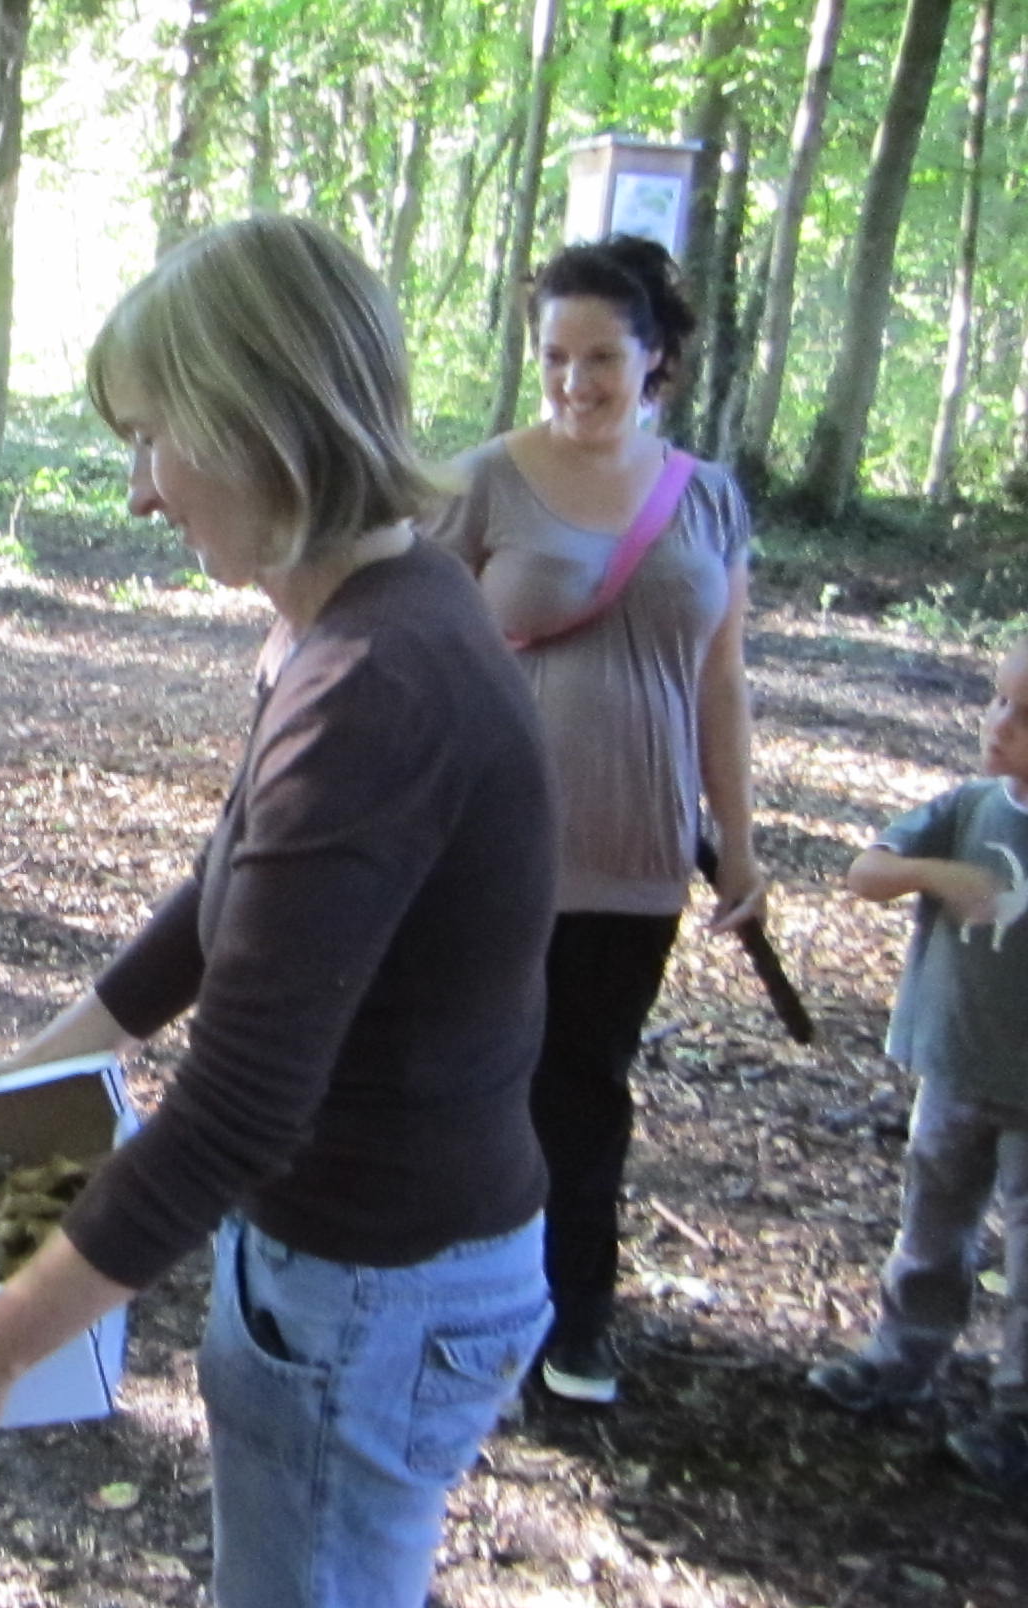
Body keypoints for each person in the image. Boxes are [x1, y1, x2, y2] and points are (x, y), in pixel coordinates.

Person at [0, 215, 557, 1608]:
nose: (138, 493)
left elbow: (238, 1111)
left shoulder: (373, 684)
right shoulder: (345, 622)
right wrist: (27, 1075)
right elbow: (227, 889)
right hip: (361, 1264)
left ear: (257, 420)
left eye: (151, 437)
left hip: (375, 1285)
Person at [425, 233, 766, 1405]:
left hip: (635, 853)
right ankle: (460, 1307)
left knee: (584, 1087)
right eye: (553, 358)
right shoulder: (481, 483)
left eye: (601, 358)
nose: (574, 382)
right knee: (481, 1076)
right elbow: (409, 651)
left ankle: (574, 1319)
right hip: (489, 851)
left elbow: (720, 683)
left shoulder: (707, 500)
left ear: (654, 357)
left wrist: (738, 842)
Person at [806, 637, 1028, 1492]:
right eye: (998, 700)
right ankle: (902, 1358)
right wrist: (940, 876)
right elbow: (866, 873)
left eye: (1026, 714)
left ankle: (1018, 1414)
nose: (1000, 723)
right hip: (958, 1067)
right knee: (933, 1223)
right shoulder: (969, 809)